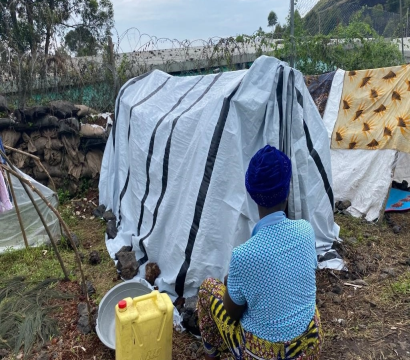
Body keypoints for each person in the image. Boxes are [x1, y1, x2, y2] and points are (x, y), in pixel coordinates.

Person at [197, 145, 322, 360]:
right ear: (288, 189)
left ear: (252, 193)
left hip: (265, 353)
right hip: (310, 345)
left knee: (208, 289)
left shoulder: (244, 255)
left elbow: (231, 314)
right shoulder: (306, 230)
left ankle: (211, 354)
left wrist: (232, 285)